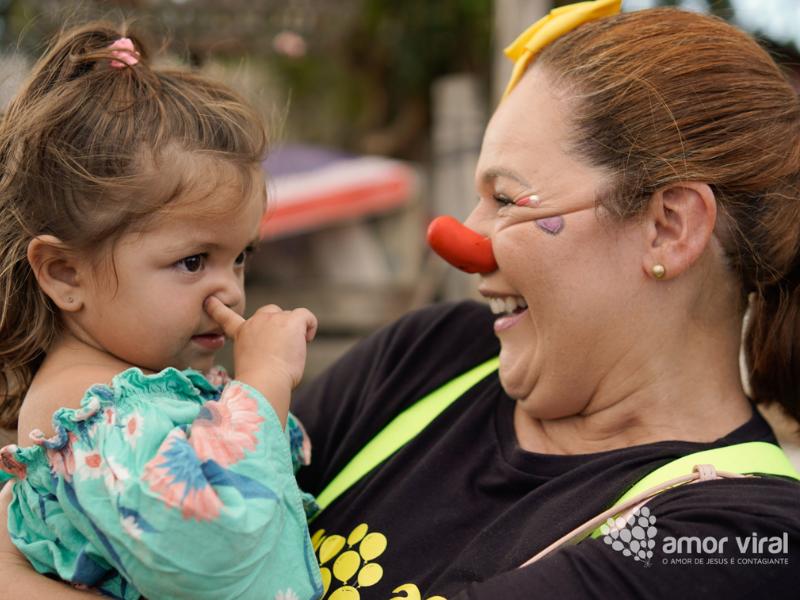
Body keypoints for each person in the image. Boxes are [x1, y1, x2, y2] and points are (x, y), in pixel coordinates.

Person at [4, 0, 800, 598]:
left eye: (508, 198)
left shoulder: (739, 542)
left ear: (668, 227)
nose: (462, 236)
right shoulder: (438, 355)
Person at [0, 22, 323, 600]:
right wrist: (266, 382)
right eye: (194, 261)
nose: (230, 294)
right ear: (65, 274)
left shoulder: (141, 391)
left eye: (241, 257)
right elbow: (211, 546)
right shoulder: (90, 411)